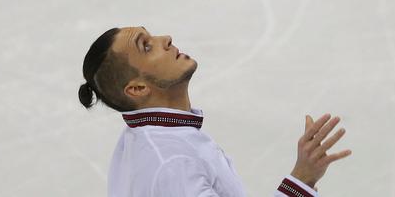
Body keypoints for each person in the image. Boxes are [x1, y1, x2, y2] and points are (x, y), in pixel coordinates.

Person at [79, 26, 351, 196]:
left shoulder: (149, 136)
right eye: (146, 46)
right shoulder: (173, 163)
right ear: (137, 89)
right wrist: (302, 180)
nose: (166, 38)